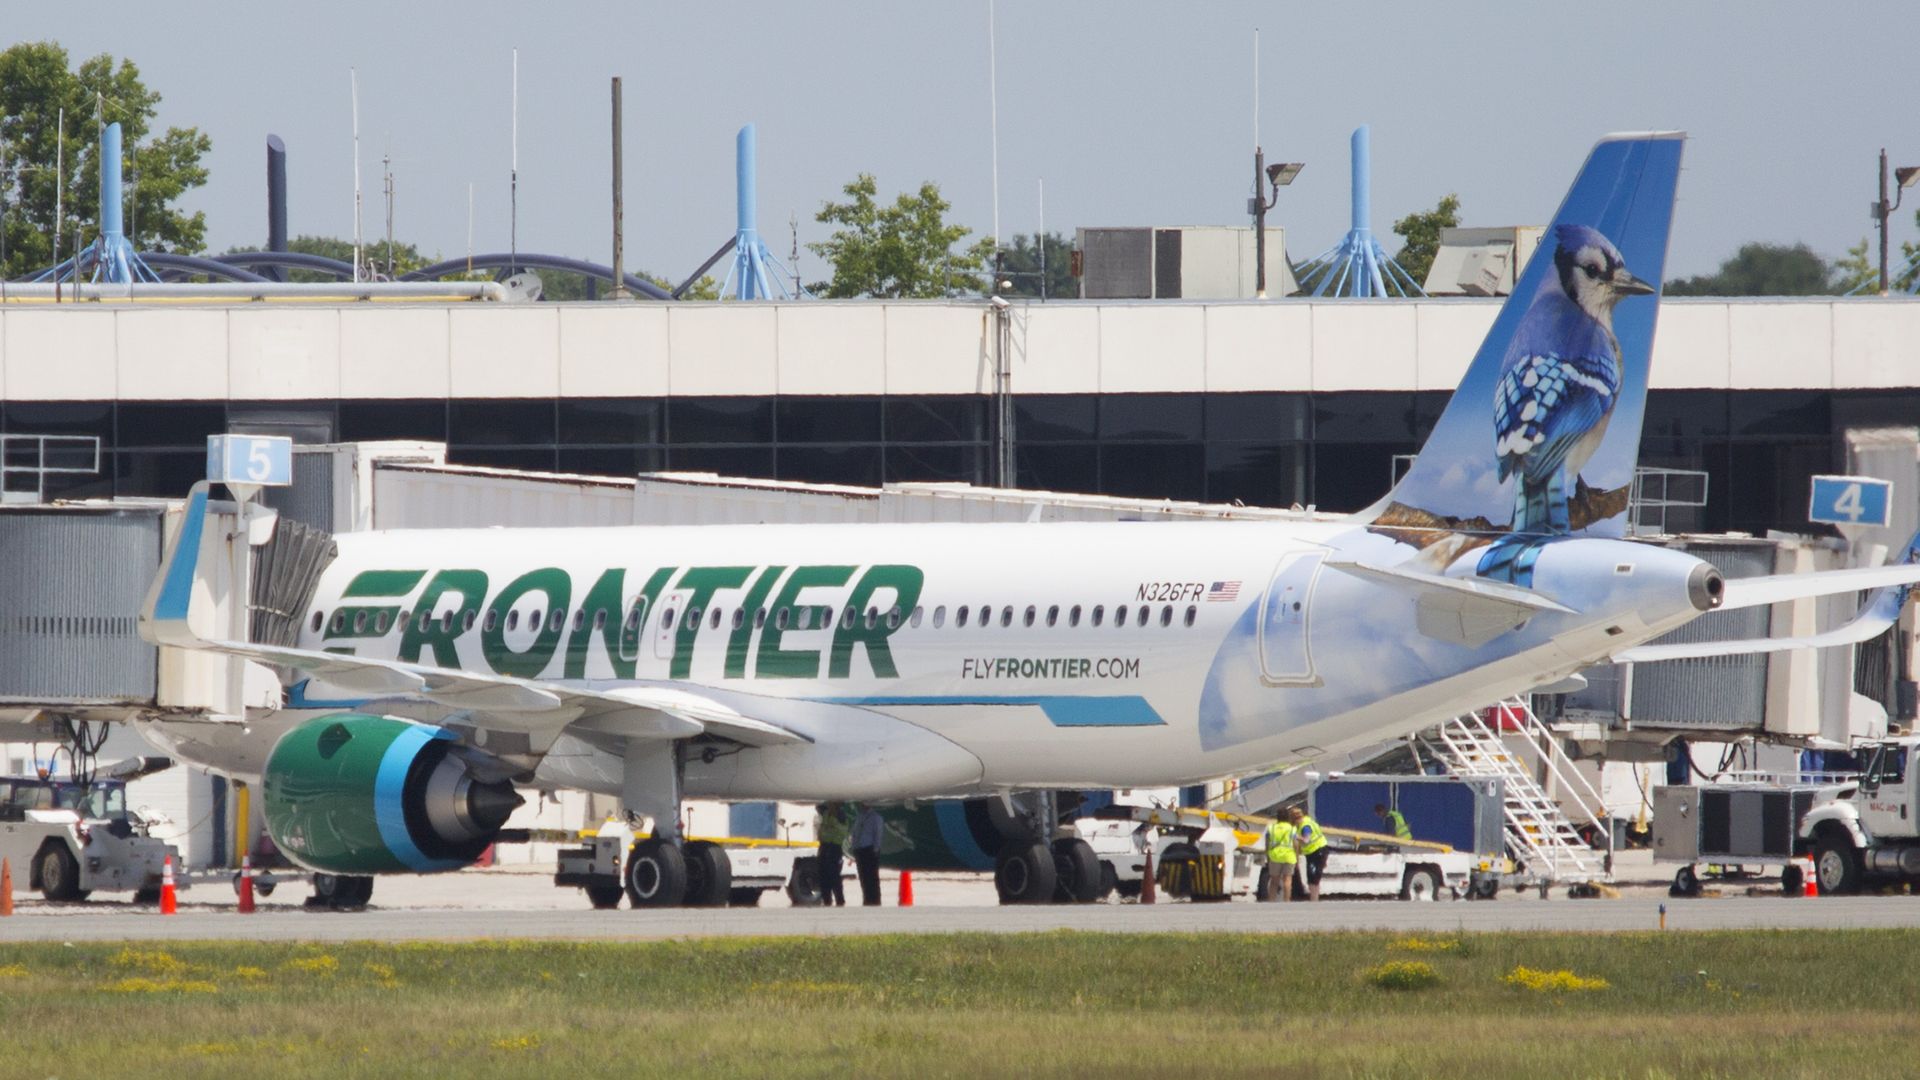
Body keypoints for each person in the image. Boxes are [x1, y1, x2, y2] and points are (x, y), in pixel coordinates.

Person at [1289, 806, 1329, 901]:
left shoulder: (1305, 826)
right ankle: (1314, 899)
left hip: (1317, 851)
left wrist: (1295, 836)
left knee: (1313, 878)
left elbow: (1307, 840)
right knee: (1313, 878)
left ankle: (1314, 900)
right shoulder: (1308, 821)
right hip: (1316, 851)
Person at [849, 802, 885, 906]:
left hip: (869, 850)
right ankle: (867, 899)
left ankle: (875, 900)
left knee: (872, 877)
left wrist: (876, 850)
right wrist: (854, 847)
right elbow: (855, 833)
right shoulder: (859, 817)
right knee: (863, 877)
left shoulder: (876, 818)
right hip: (860, 850)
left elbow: (878, 835)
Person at [815, 801, 849, 907]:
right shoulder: (826, 814)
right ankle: (827, 900)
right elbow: (818, 807)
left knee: (834, 875)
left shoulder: (841, 815)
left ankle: (840, 900)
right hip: (824, 846)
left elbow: (843, 829)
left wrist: (833, 824)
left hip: (835, 847)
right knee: (823, 875)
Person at [1262, 813, 1297, 902]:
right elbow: (1295, 844)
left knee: (1274, 881)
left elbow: (1267, 843)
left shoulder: (1271, 828)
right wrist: (1296, 856)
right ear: (1288, 818)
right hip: (1289, 856)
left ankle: (1271, 900)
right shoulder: (1292, 829)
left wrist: (1267, 855)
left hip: (1275, 856)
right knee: (1287, 880)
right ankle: (1286, 900)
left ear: (1277, 818)